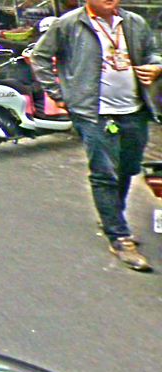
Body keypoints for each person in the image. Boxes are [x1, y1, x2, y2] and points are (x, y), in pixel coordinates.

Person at [30, 0, 162, 272]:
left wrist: (156, 67)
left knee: (128, 168)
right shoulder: (68, 24)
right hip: (95, 113)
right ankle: (119, 237)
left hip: (134, 110)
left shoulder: (134, 22)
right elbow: (39, 56)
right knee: (104, 173)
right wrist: (58, 94)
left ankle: (111, 216)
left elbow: (152, 52)